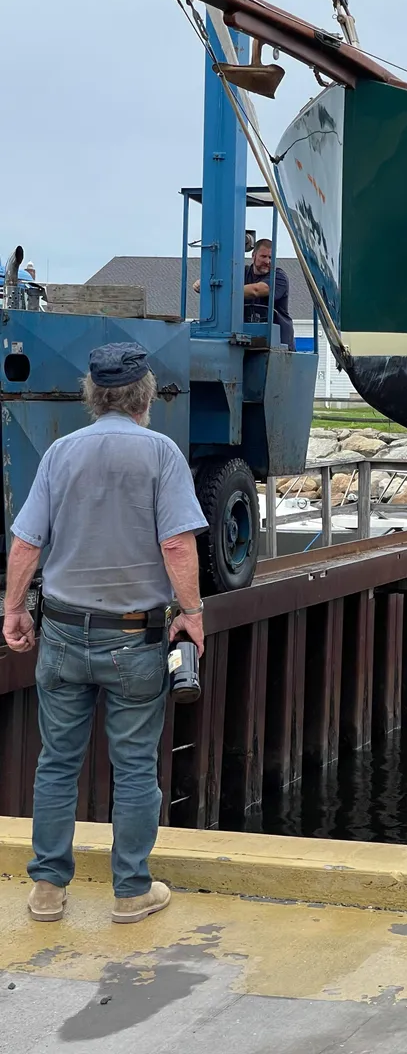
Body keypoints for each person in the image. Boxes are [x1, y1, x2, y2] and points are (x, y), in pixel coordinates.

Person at [2, 342, 208, 925]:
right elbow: (176, 543)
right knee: (136, 765)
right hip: (135, 640)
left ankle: (47, 888)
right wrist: (191, 615)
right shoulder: (162, 454)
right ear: (145, 395)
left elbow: (25, 543)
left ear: (92, 395)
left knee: (57, 763)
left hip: (63, 634)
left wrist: (13, 609)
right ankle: (131, 890)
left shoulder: (60, 452)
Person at [192, 237, 295, 349]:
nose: (267, 261)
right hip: (250, 340)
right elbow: (221, 280)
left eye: (271, 257)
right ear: (253, 256)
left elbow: (256, 290)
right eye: (263, 256)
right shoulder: (242, 273)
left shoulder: (279, 277)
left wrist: (219, 289)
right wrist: (204, 283)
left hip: (279, 345)